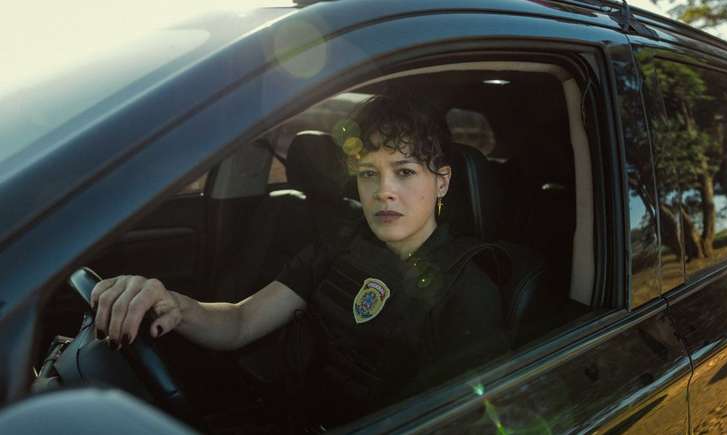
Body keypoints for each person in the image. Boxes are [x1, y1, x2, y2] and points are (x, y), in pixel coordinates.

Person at [91, 94, 509, 426]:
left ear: (442, 182)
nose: (384, 191)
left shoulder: (469, 289)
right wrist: (173, 304)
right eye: (368, 173)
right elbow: (241, 321)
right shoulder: (341, 245)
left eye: (404, 172)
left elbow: (462, 422)